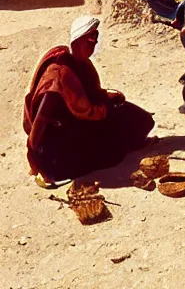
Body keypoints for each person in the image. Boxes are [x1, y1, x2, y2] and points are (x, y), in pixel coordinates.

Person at [23, 16, 155, 186]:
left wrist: (109, 96)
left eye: (96, 39)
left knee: (142, 120)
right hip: (59, 141)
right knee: (109, 154)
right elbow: (39, 124)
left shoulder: (83, 65)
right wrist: (35, 163)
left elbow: (91, 97)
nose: (93, 44)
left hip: (83, 122)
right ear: (76, 41)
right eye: (90, 39)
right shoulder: (57, 77)